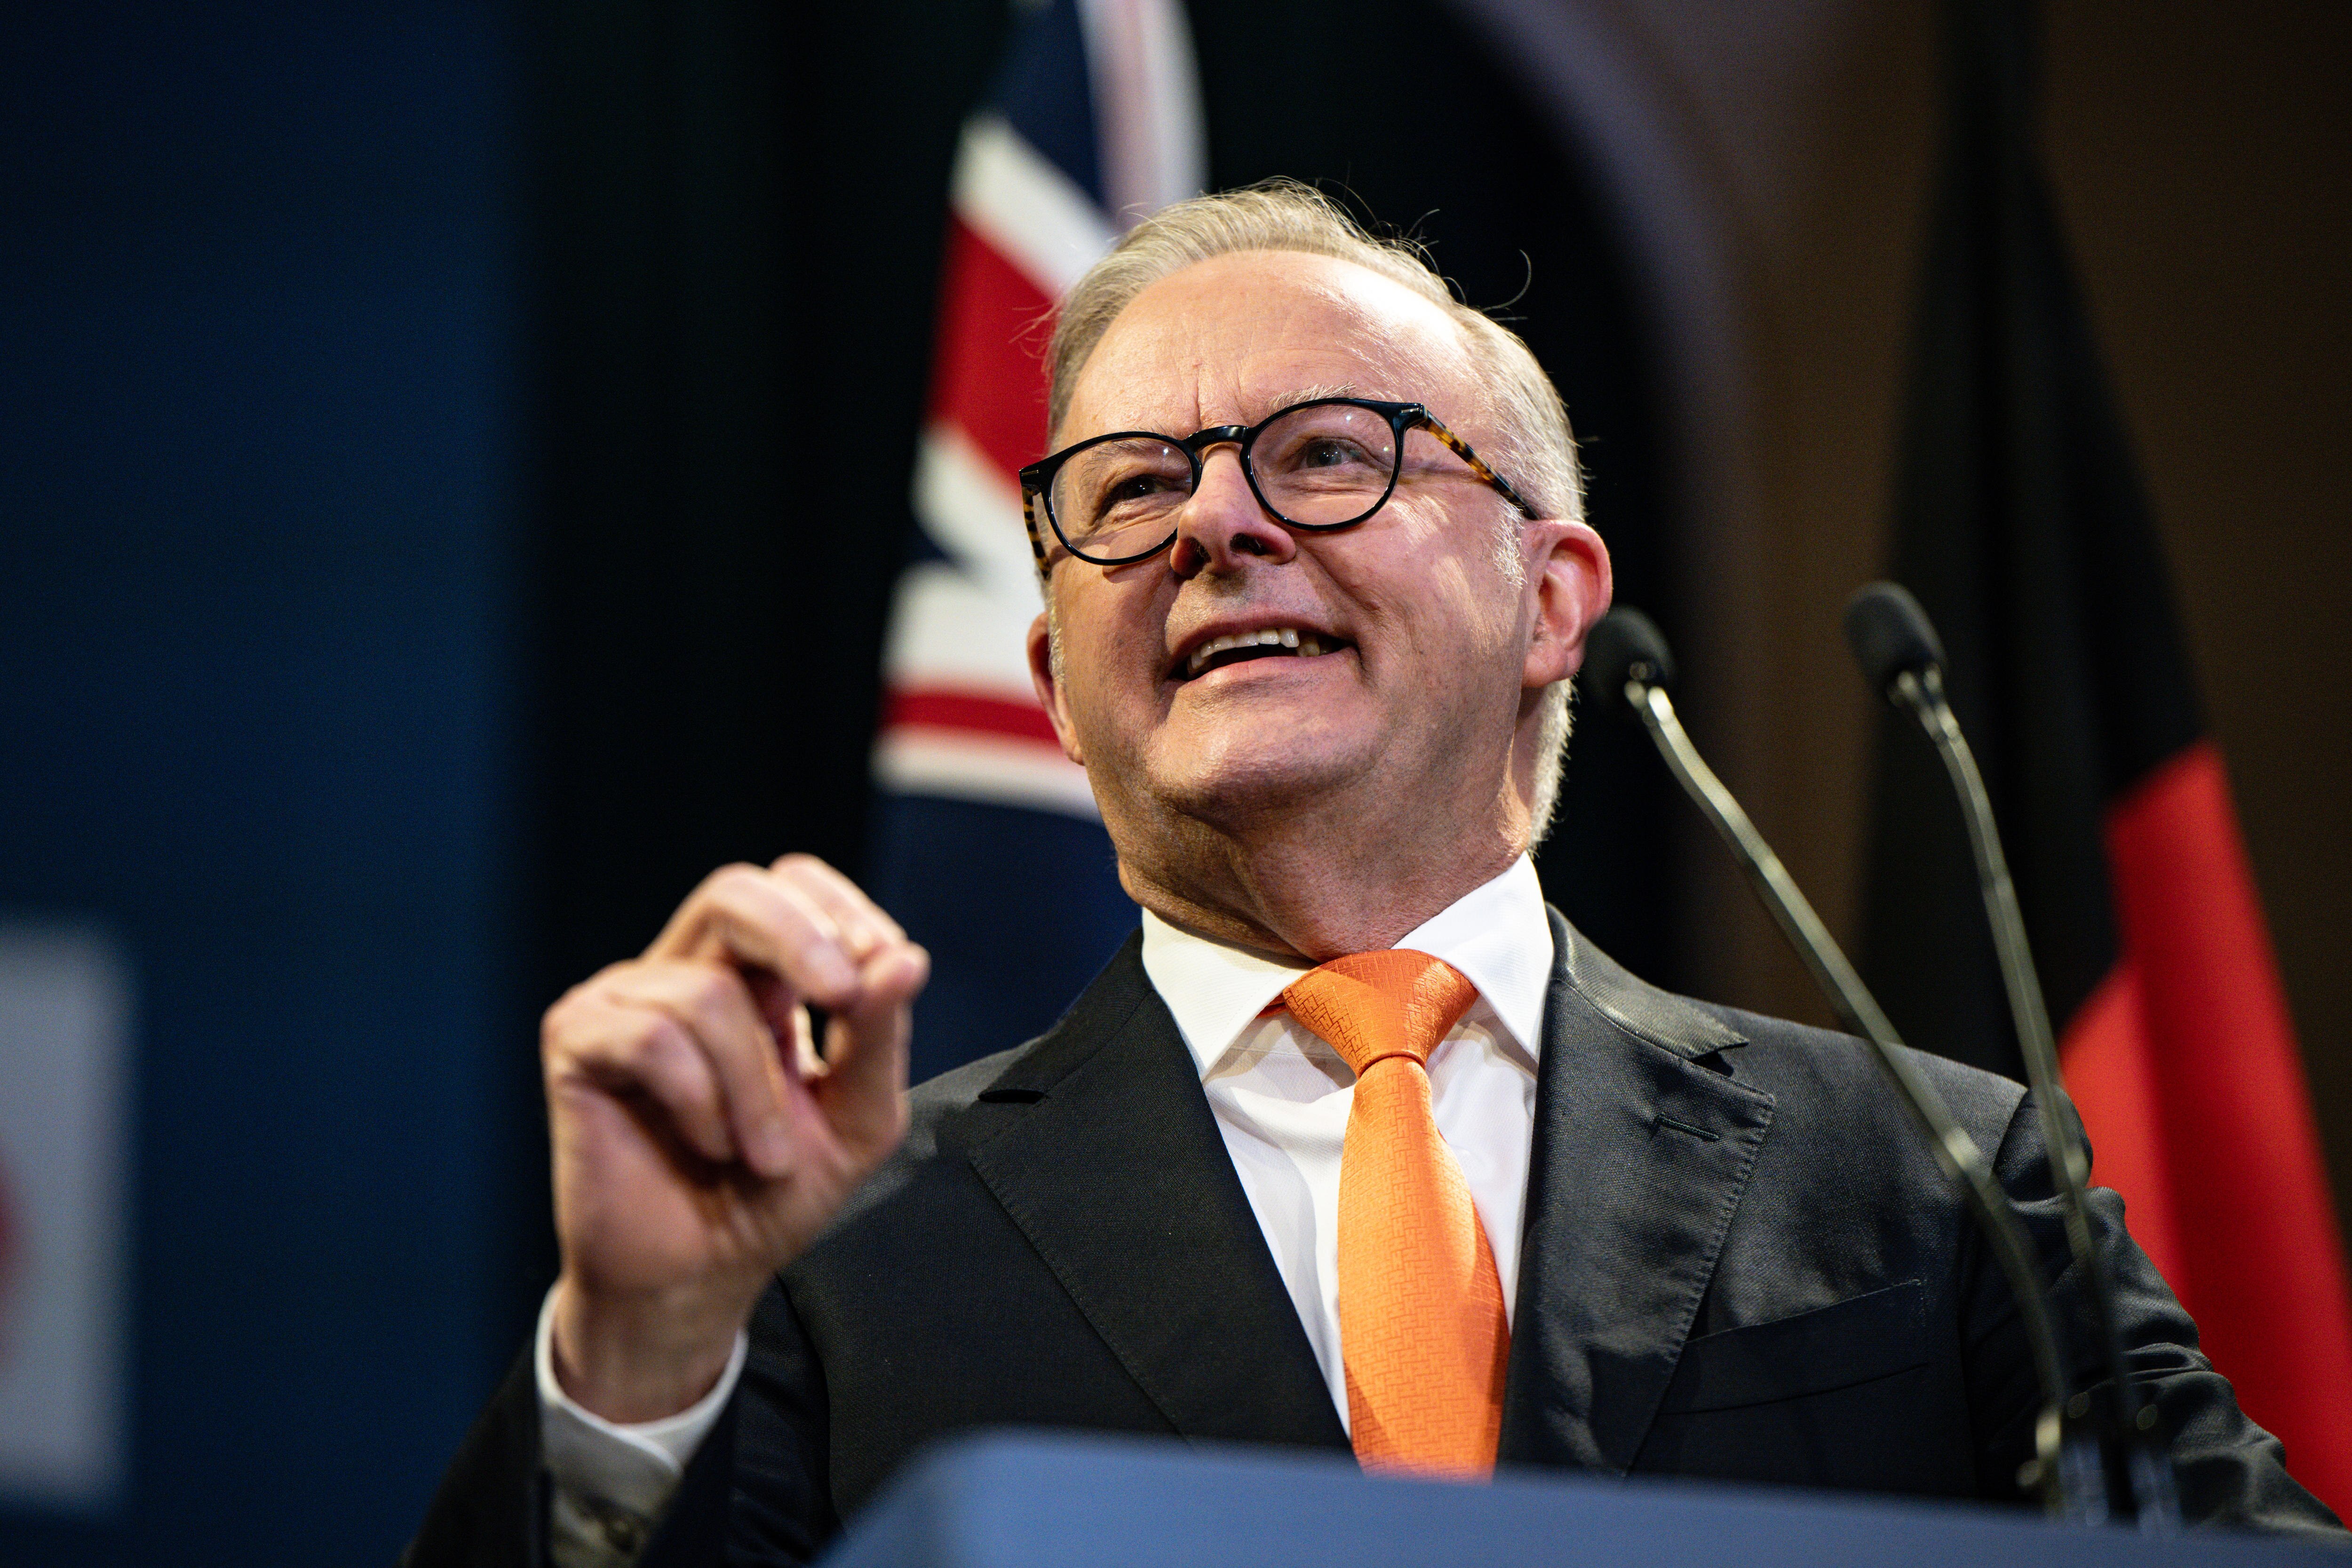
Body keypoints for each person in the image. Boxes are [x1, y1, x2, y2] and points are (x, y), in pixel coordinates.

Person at [408, 185, 2342, 1566]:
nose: (1215, 526)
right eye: (1130, 492)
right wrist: (641, 1365)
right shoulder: (825, 1250)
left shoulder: (1936, 1186)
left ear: (1547, 600)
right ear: (1056, 692)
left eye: (1324, 453)